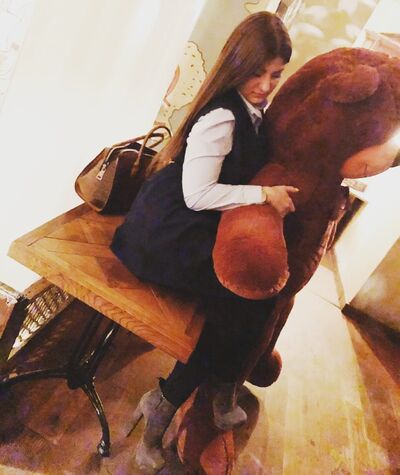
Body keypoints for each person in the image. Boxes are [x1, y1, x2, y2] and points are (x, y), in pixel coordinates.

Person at [111, 11, 298, 472]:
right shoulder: (221, 117)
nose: (266, 85)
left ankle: (212, 387)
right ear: (238, 65)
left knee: (255, 298)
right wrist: (263, 196)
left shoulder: (253, 111)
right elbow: (197, 195)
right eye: (257, 73)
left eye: (275, 75)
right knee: (237, 301)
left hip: (192, 222)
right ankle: (169, 402)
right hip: (167, 230)